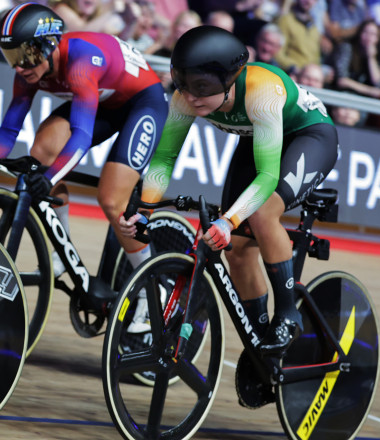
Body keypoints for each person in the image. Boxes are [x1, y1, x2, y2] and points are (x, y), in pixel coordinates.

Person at [123, 25, 338, 356]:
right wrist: (145, 209)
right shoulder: (186, 98)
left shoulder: (261, 90)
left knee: (263, 212)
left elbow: (267, 176)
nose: (192, 97)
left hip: (309, 137)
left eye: (202, 87)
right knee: (236, 250)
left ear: (231, 78)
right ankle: (260, 342)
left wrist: (228, 220)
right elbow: (164, 160)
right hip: (258, 137)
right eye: (184, 84)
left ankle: (287, 315)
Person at [0, 2, 169, 279]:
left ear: (49, 46)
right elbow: (9, 130)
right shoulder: (28, 71)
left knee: (112, 200)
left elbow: (81, 135)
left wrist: (50, 178)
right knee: (43, 148)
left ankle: (152, 286)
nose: (20, 67)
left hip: (143, 103)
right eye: (12, 56)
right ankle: (62, 251)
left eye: (27, 54)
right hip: (103, 100)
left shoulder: (80, 62)